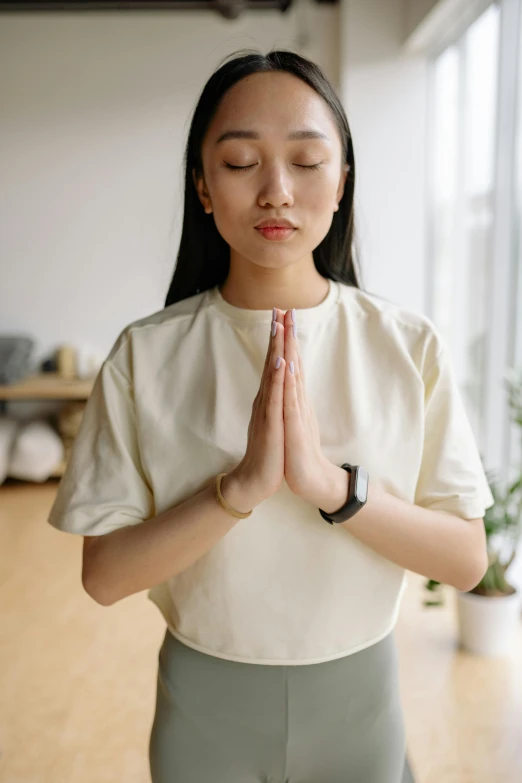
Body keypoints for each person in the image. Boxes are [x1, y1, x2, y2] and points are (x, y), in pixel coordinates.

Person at [47, 49, 494, 783]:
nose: (276, 191)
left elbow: (466, 558)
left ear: (343, 180)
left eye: (308, 161)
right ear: (201, 185)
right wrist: (240, 490)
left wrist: (332, 488)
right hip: (205, 706)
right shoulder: (145, 355)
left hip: (360, 704)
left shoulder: (408, 346)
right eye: (240, 162)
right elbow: (104, 576)